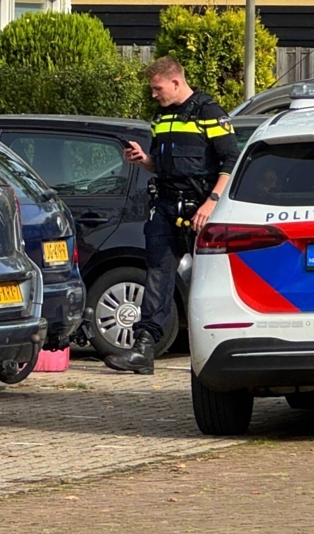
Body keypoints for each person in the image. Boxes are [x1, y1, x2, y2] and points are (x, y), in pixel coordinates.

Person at [104, 56, 239, 375]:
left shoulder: (209, 112)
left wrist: (211, 204)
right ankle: (143, 349)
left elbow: (231, 161)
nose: (153, 94)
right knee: (157, 277)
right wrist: (144, 160)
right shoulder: (161, 117)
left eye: (157, 88)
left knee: (210, 278)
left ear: (175, 81)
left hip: (201, 210)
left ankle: (217, 346)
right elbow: (162, 165)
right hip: (166, 206)